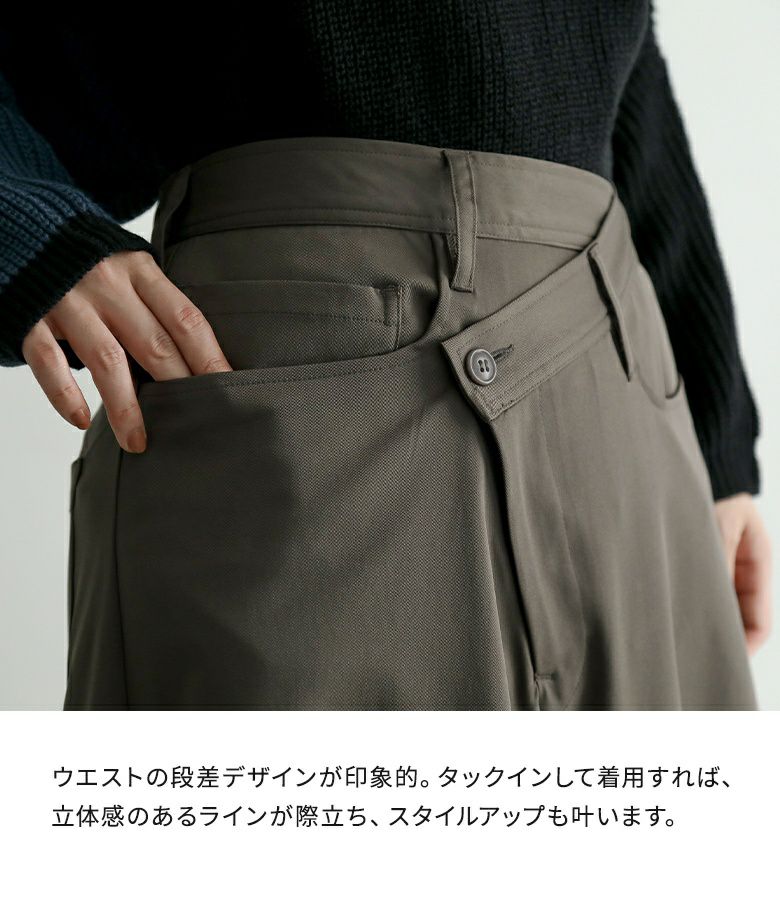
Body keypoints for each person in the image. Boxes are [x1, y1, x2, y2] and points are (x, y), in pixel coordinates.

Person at [0, 5, 771, 710]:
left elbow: (620, 71)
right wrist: (23, 225)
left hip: (618, 402)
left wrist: (716, 434)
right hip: (309, 405)